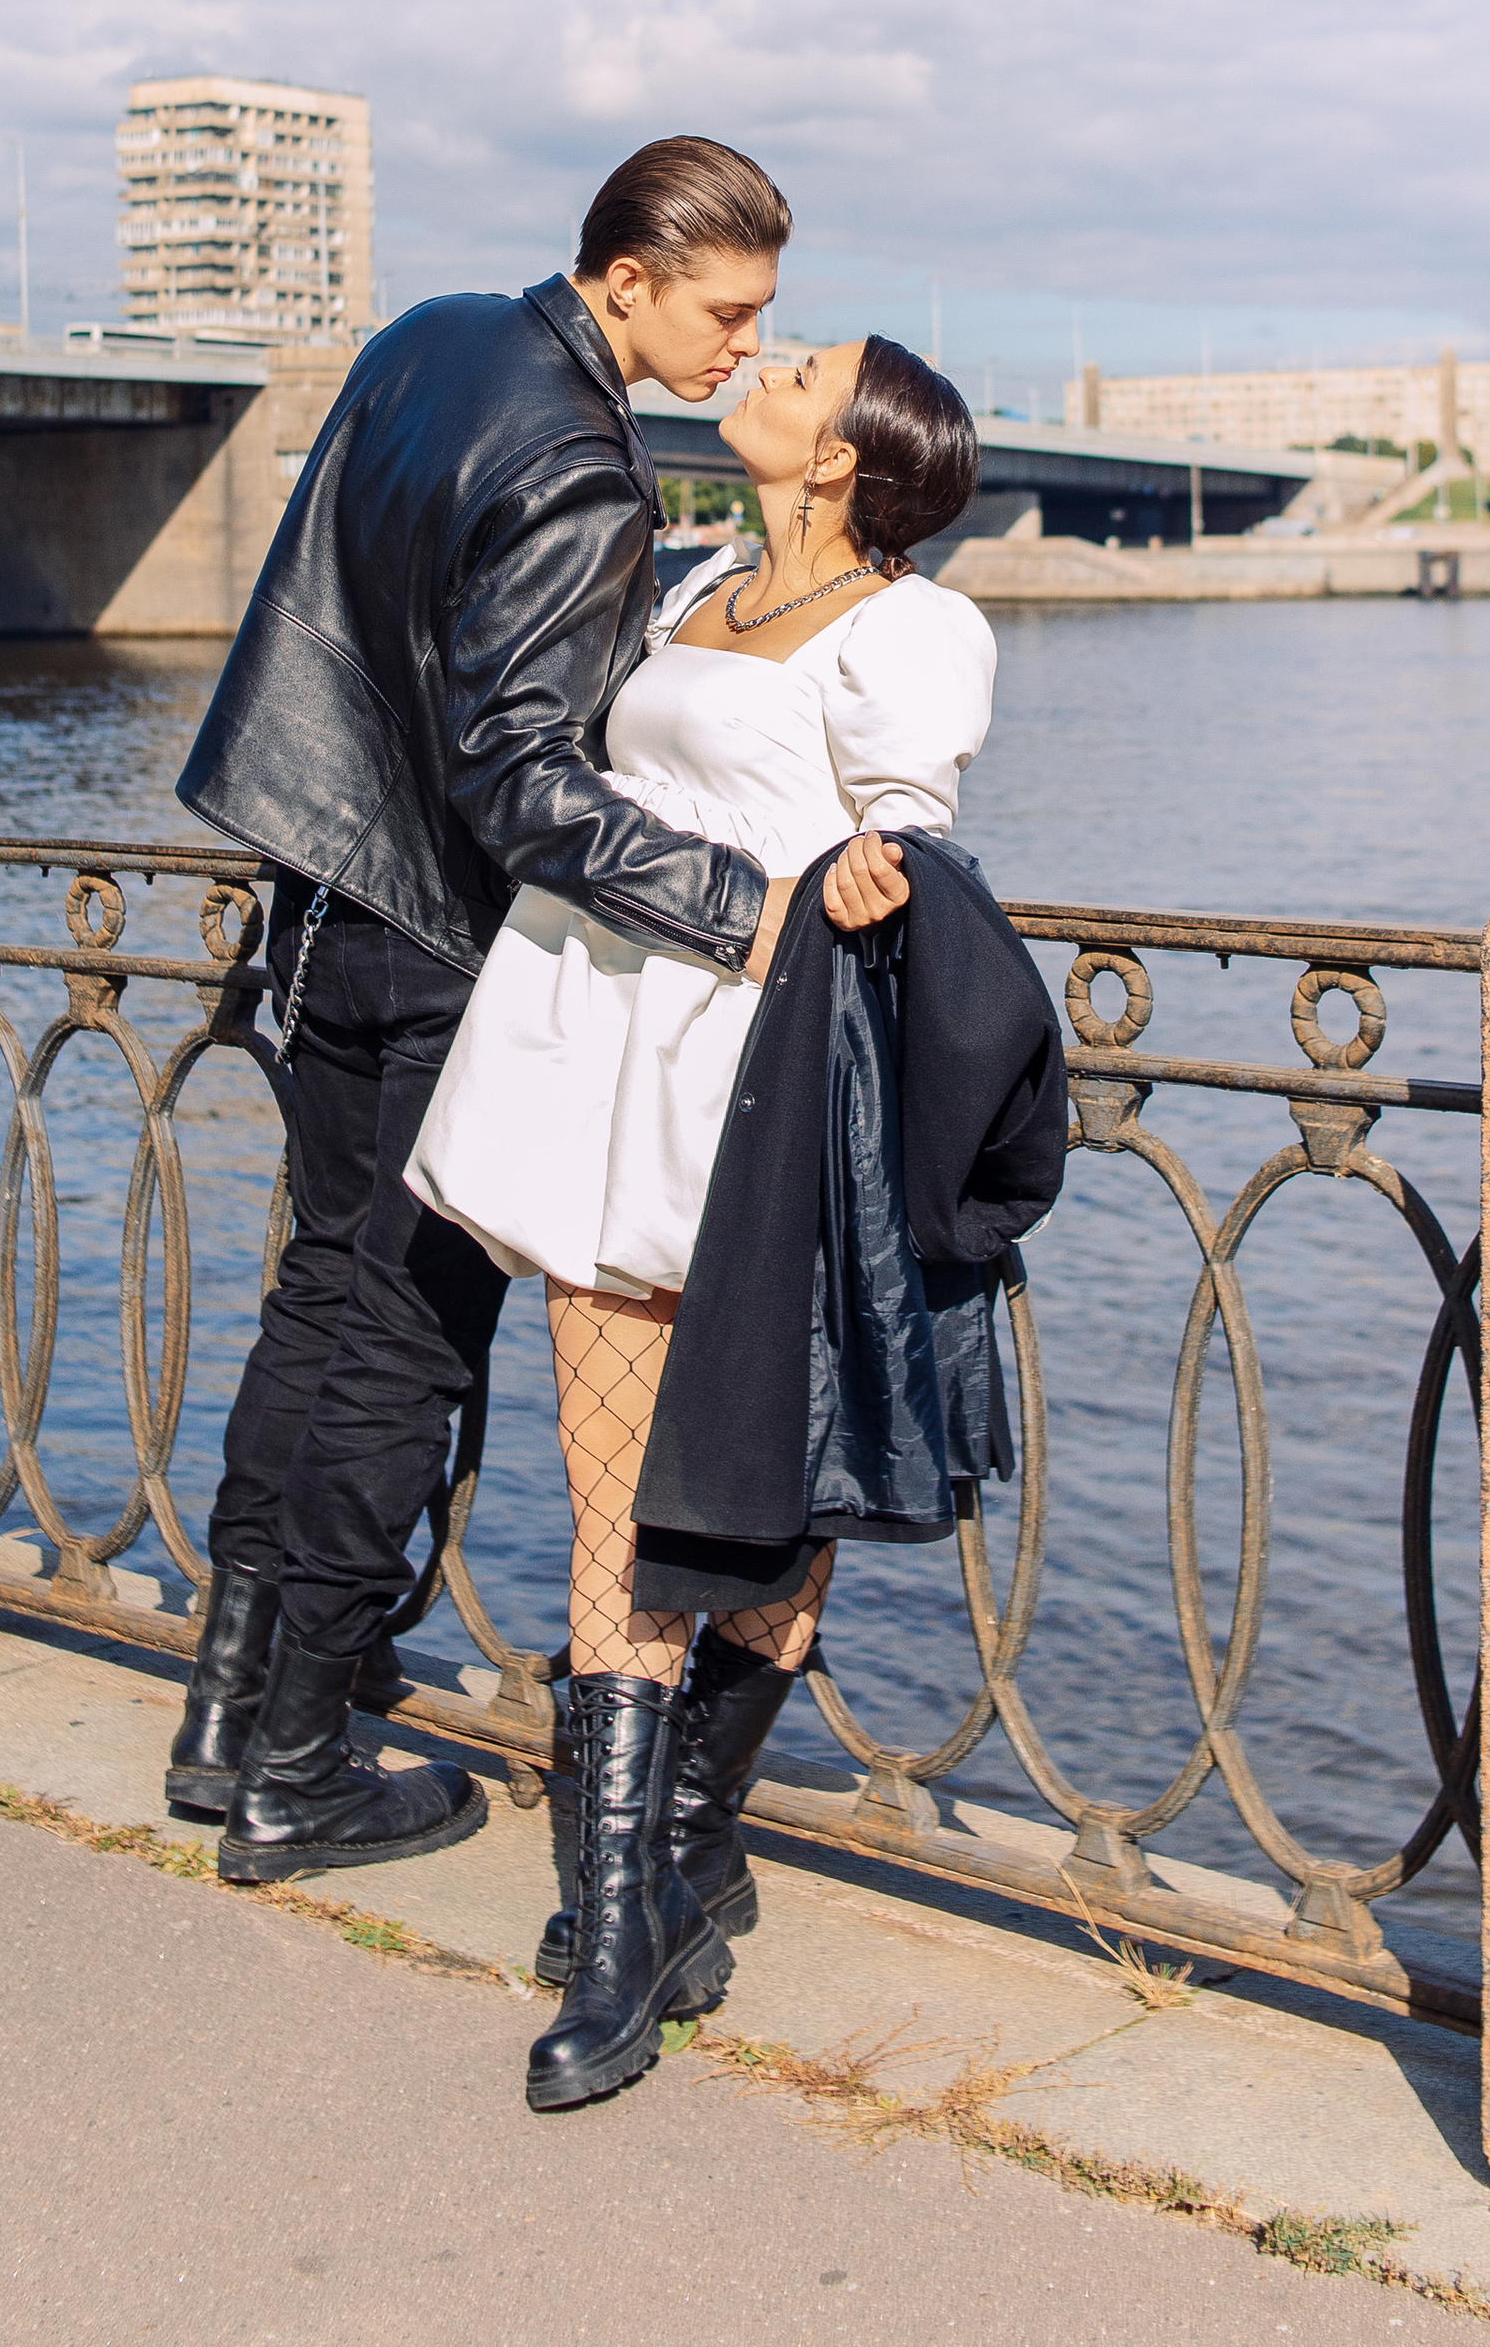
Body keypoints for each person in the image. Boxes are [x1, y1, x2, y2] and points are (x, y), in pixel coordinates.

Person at [163, 135, 899, 1886]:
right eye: (728, 311)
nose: (742, 345)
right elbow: (523, 781)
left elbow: (358, 615)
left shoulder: (429, 336)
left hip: (321, 895)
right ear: (630, 276)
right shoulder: (584, 463)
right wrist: (748, 903)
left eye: (766, 320)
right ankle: (297, 1766)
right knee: (400, 1344)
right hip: (434, 936)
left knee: (318, 1299)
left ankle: (228, 1709)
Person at [404, 333, 996, 2109]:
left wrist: (873, 869)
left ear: (845, 457)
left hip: (747, 1074)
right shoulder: (692, 582)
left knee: (751, 1503)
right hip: (597, 1045)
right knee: (614, 1503)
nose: (768, 357)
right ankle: (623, 1918)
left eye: (805, 368)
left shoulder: (911, 628)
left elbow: (902, 835)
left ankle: (671, 1852)